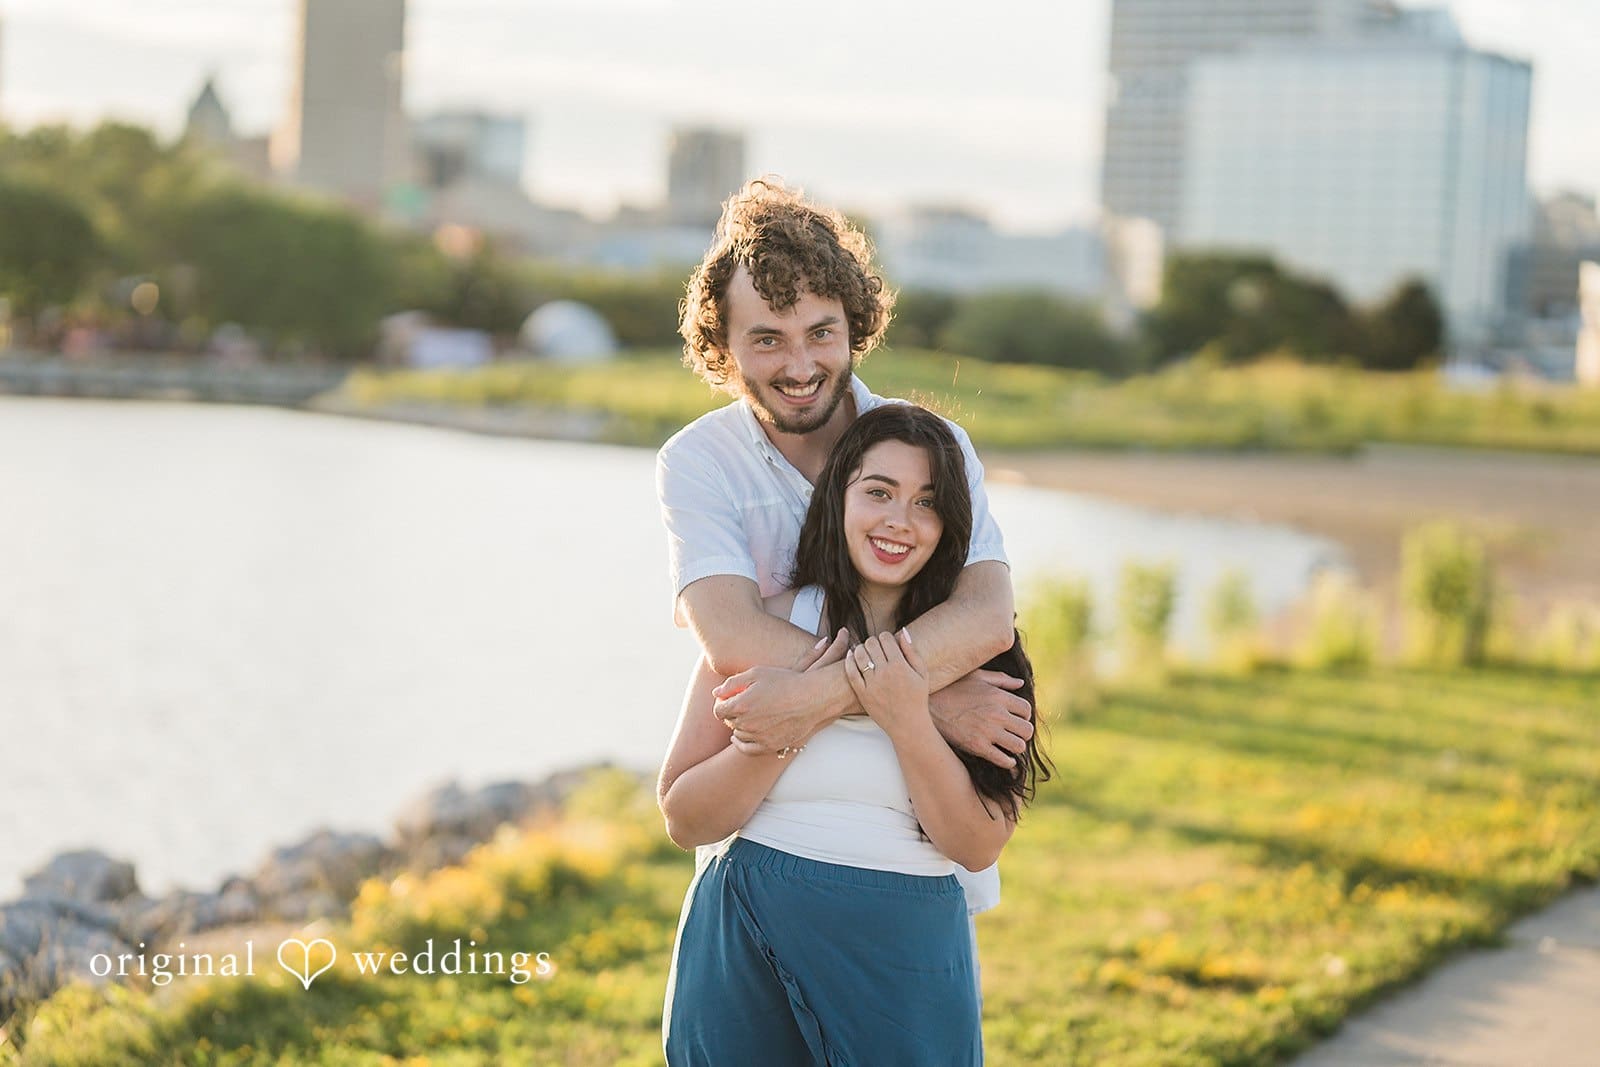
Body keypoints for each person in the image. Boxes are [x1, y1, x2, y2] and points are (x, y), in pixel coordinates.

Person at [653, 177, 1034, 946]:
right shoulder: (698, 461)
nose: (799, 365)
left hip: (916, 854)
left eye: (820, 332)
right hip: (763, 841)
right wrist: (927, 698)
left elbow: (986, 617)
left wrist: (839, 693)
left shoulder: (932, 447)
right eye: (767, 339)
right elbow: (730, 635)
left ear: (856, 326)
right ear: (721, 347)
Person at [659, 404, 1051, 1065]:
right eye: (878, 492)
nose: (900, 519)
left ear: (952, 524)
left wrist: (908, 714)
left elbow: (978, 844)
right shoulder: (766, 628)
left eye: (927, 502)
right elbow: (684, 818)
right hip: (745, 926)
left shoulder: (979, 658)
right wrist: (784, 730)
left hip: (904, 947)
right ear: (837, 497)